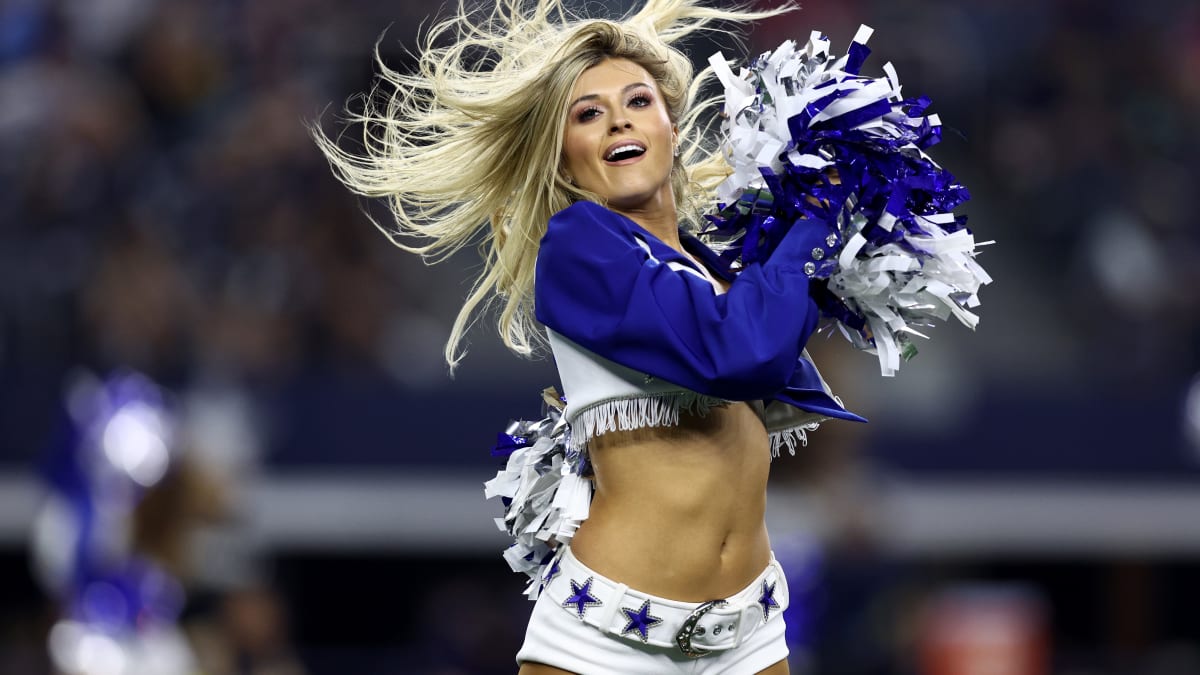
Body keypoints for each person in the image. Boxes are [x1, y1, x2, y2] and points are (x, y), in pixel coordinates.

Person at [312, 1, 864, 672]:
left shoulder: (707, 270)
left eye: (638, 100)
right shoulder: (580, 247)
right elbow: (743, 353)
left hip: (743, 635)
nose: (619, 119)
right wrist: (814, 215)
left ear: (671, 124)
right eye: (588, 113)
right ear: (564, 156)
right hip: (610, 641)